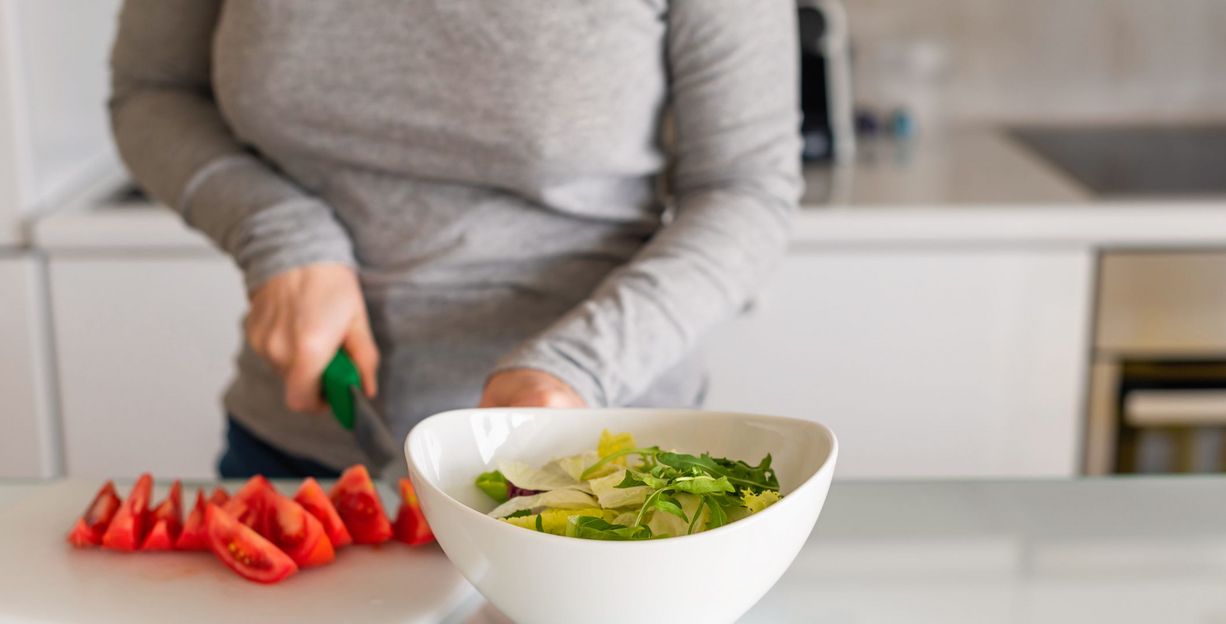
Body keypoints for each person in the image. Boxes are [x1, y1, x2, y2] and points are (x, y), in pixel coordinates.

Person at [109, 1, 801, 478]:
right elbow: (155, 92)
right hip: (306, 451)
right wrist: (282, 237)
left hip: (602, 457)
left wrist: (578, 367)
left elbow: (747, 188)